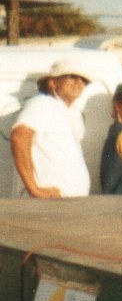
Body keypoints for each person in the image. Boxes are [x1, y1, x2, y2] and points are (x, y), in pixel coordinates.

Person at [11, 59, 98, 198]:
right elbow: (19, 137)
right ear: (52, 82)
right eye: (72, 77)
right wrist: (34, 190)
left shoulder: (72, 113)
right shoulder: (42, 104)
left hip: (68, 204)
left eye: (83, 80)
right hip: (47, 205)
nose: (79, 82)